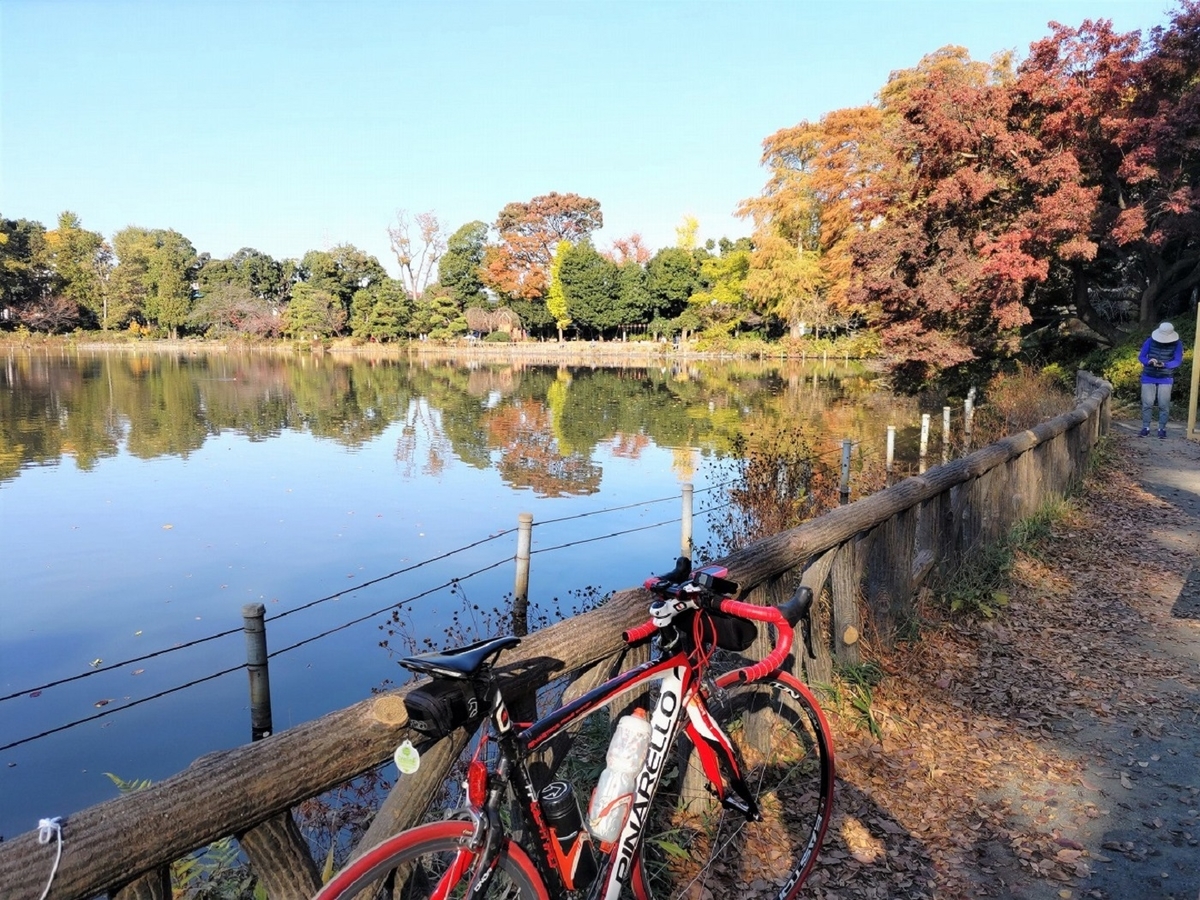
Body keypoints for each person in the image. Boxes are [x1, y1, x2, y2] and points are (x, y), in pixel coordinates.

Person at [1138, 321, 1183, 438]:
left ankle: (1161, 428)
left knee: (1164, 404)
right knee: (1147, 403)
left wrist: (1165, 364)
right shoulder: (1149, 341)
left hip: (1166, 377)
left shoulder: (1177, 344)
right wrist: (1149, 361)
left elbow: (1177, 360)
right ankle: (1145, 427)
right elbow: (1141, 356)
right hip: (1149, 375)